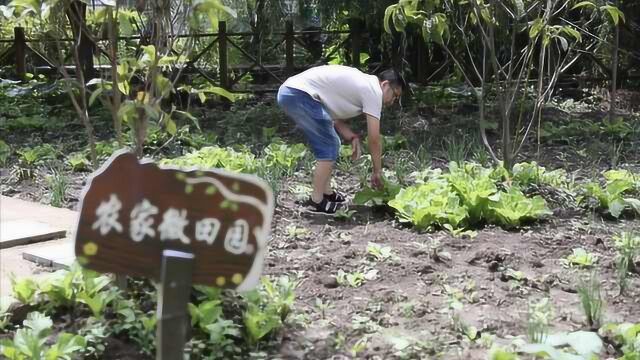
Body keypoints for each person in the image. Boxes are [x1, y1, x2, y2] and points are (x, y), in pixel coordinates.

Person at [276, 65, 406, 214]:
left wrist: (351, 136)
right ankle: (316, 200)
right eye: (395, 95)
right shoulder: (374, 91)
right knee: (329, 146)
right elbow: (374, 138)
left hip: (293, 92)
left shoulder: (364, 84)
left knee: (331, 143)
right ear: (385, 85)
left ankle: (326, 192)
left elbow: (332, 116)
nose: (393, 101)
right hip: (299, 94)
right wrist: (377, 171)